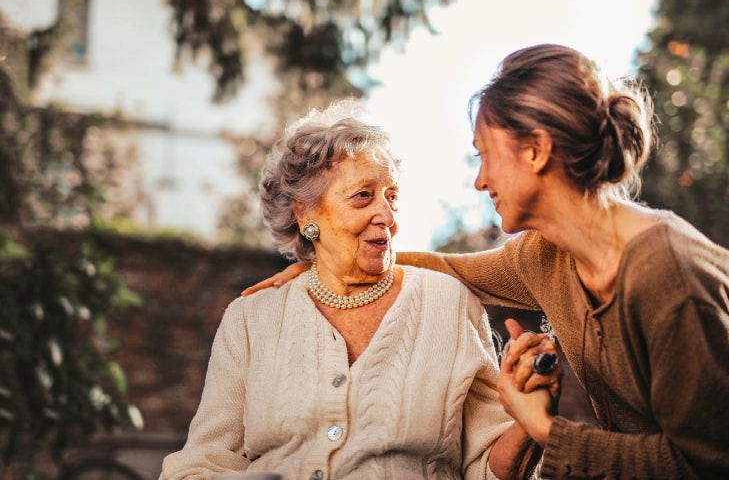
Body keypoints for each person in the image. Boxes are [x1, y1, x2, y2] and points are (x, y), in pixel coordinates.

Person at [241, 45, 729, 479]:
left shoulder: (668, 273)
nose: (480, 181)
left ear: (537, 151)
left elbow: (713, 464)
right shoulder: (546, 256)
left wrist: (545, 428)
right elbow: (450, 268)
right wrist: (329, 264)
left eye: (484, 155)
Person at [160, 99, 562, 480]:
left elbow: (488, 470)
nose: (386, 216)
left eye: (392, 197)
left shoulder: (450, 304)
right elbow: (201, 463)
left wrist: (529, 423)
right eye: (363, 197)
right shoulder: (251, 319)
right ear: (306, 214)